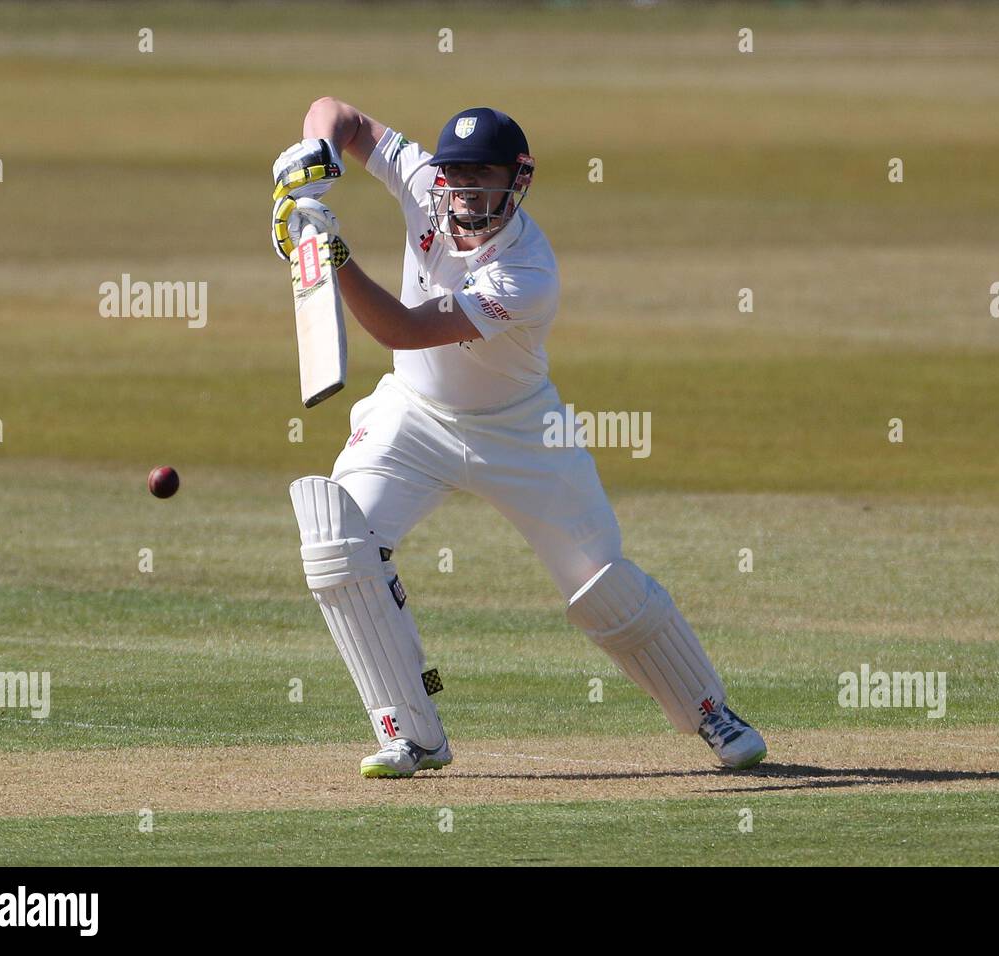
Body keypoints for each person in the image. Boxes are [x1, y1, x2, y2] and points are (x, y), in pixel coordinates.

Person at [270, 102, 766, 777]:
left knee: (602, 583)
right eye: (457, 176)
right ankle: (411, 733)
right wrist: (317, 161)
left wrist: (332, 257)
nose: (466, 191)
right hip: (412, 415)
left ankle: (711, 711)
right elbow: (340, 116)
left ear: (518, 181)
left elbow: (405, 330)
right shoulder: (424, 179)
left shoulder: (528, 272)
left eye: (484, 177)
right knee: (338, 539)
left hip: (521, 431)